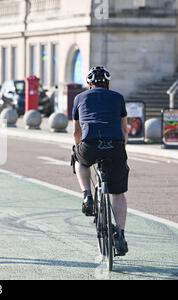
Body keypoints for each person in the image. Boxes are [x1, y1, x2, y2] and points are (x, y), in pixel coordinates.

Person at [72, 66, 130, 256]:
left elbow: (77, 132)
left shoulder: (79, 98)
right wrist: (122, 149)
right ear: (108, 83)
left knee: (79, 159)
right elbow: (124, 131)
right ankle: (120, 233)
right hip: (114, 145)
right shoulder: (118, 97)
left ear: (89, 83)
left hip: (90, 143)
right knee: (118, 193)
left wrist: (78, 147)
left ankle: (87, 195)